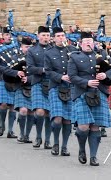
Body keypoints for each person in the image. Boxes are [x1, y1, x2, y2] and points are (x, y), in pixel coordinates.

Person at [68, 31, 111, 166]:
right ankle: (81, 149)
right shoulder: (74, 57)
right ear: (81, 44)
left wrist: (105, 74)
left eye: (90, 42)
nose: (88, 44)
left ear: (94, 43)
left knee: (95, 126)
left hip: (99, 93)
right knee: (84, 126)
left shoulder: (102, 55)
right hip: (82, 94)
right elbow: (72, 77)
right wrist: (87, 83)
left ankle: (93, 156)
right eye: (86, 42)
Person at [44, 27, 76, 156]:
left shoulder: (73, 51)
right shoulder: (49, 53)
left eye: (62, 35)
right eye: (58, 36)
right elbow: (47, 71)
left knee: (67, 120)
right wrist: (61, 77)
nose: (61, 38)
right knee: (57, 118)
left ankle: (64, 146)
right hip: (55, 86)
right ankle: (56, 143)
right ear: (53, 38)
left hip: (70, 87)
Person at [26, 26, 52, 149]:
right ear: (38, 36)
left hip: (52, 82)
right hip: (38, 81)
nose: (45, 37)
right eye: (43, 35)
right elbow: (30, 68)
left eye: (47, 35)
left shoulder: (54, 49)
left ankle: (47, 140)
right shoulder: (32, 50)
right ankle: (38, 136)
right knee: (40, 112)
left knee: (48, 113)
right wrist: (42, 70)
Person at [0, 27, 18, 138]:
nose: (9, 36)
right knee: (3, 104)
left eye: (10, 35)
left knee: (13, 105)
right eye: (7, 35)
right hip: (3, 78)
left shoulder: (16, 49)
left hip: (14, 80)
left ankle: (11, 130)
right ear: (2, 36)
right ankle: (0, 126)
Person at [13, 37, 34, 143]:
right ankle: (21, 133)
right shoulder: (15, 58)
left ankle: (27, 135)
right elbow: (9, 72)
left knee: (31, 113)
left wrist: (29, 78)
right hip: (20, 86)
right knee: (23, 110)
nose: (28, 49)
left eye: (30, 47)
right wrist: (18, 75)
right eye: (26, 47)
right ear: (21, 47)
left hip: (33, 86)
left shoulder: (36, 58)